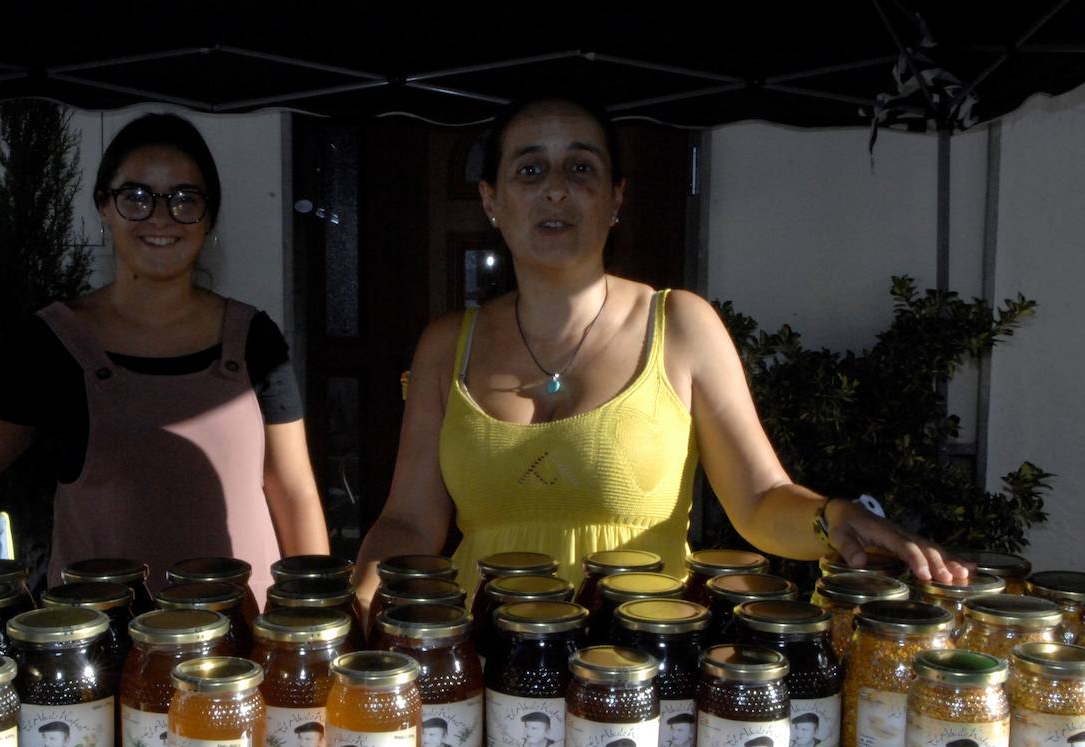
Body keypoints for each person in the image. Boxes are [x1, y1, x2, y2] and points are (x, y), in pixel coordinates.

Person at [352, 95, 968, 610]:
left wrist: (832, 517)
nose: (557, 192)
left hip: (644, 665)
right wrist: (353, 614)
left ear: (616, 197)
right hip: (487, 660)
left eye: (582, 168)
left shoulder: (680, 326)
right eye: (530, 170)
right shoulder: (445, 346)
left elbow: (758, 499)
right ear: (492, 200)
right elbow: (408, 523)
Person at [0, 113, 328, 602]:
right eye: (136, 196)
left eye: (184, 199)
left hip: (240, 649)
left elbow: (293, 489)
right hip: (97, 650)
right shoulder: (53, 344)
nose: (160, 217)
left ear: (208, 219)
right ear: (103, 208)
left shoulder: (253, 339)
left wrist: (316, 617)